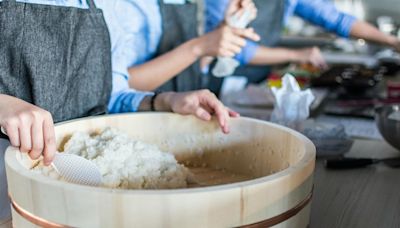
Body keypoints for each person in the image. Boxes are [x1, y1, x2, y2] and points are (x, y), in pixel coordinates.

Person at [0, 0, 238, 222]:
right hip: (9, 179)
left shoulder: (107, 7)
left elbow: (112, 93)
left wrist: (165, 101)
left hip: (83, 187)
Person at [206, 0, 400, 93]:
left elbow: (336, 20)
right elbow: (238, 49)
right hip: (218, 80)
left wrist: (392, 41)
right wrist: (296, 54)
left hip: (257, 81)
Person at [108, 0, 259, 92]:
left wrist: (227, 26)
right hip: (138, 120)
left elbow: (192, 67)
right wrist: (198, 47)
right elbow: (116, 85)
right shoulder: (123, 6)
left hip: (182, 111)